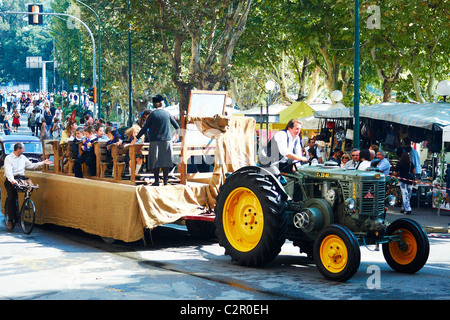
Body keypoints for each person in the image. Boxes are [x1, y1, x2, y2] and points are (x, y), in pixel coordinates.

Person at [130, 95, 180, 186]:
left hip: (155, 141)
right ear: (162, 103)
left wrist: (135, 139)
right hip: (167, 141)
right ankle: (165, 181)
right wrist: (176, 136)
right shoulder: (167, 114)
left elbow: (144, 129)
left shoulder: (152, 115)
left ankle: (156, 181)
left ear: (154, 104)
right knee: (166, 162)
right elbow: (177, 127)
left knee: (155, 162)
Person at [3, 142, 52, 231]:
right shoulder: (9, 158)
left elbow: (31, 166)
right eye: (23, 149)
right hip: (12, 178)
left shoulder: (23, 157)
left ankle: (27, 201)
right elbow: (8, 171)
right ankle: (10, 220)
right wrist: (12, 180)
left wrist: (42, 163)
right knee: (11, 198)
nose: (24, 150)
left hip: (21, 177)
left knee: (30, 185)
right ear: (18, 149)